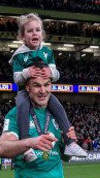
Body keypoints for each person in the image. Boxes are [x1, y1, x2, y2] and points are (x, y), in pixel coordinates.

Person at [9, 13, 87, 161]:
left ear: (42, 34)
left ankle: (70, 142)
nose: (34, 33)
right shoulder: (19, 55)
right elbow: (16, 79)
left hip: (43, 91)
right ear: (23, 36)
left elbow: (56, 75)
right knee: (22, 106)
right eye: (30, 31)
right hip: (25, 93)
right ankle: (26, 146)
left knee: (58, 106)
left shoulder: (47, 52)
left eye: (37, 30)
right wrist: (27, 72)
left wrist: (50, 72)